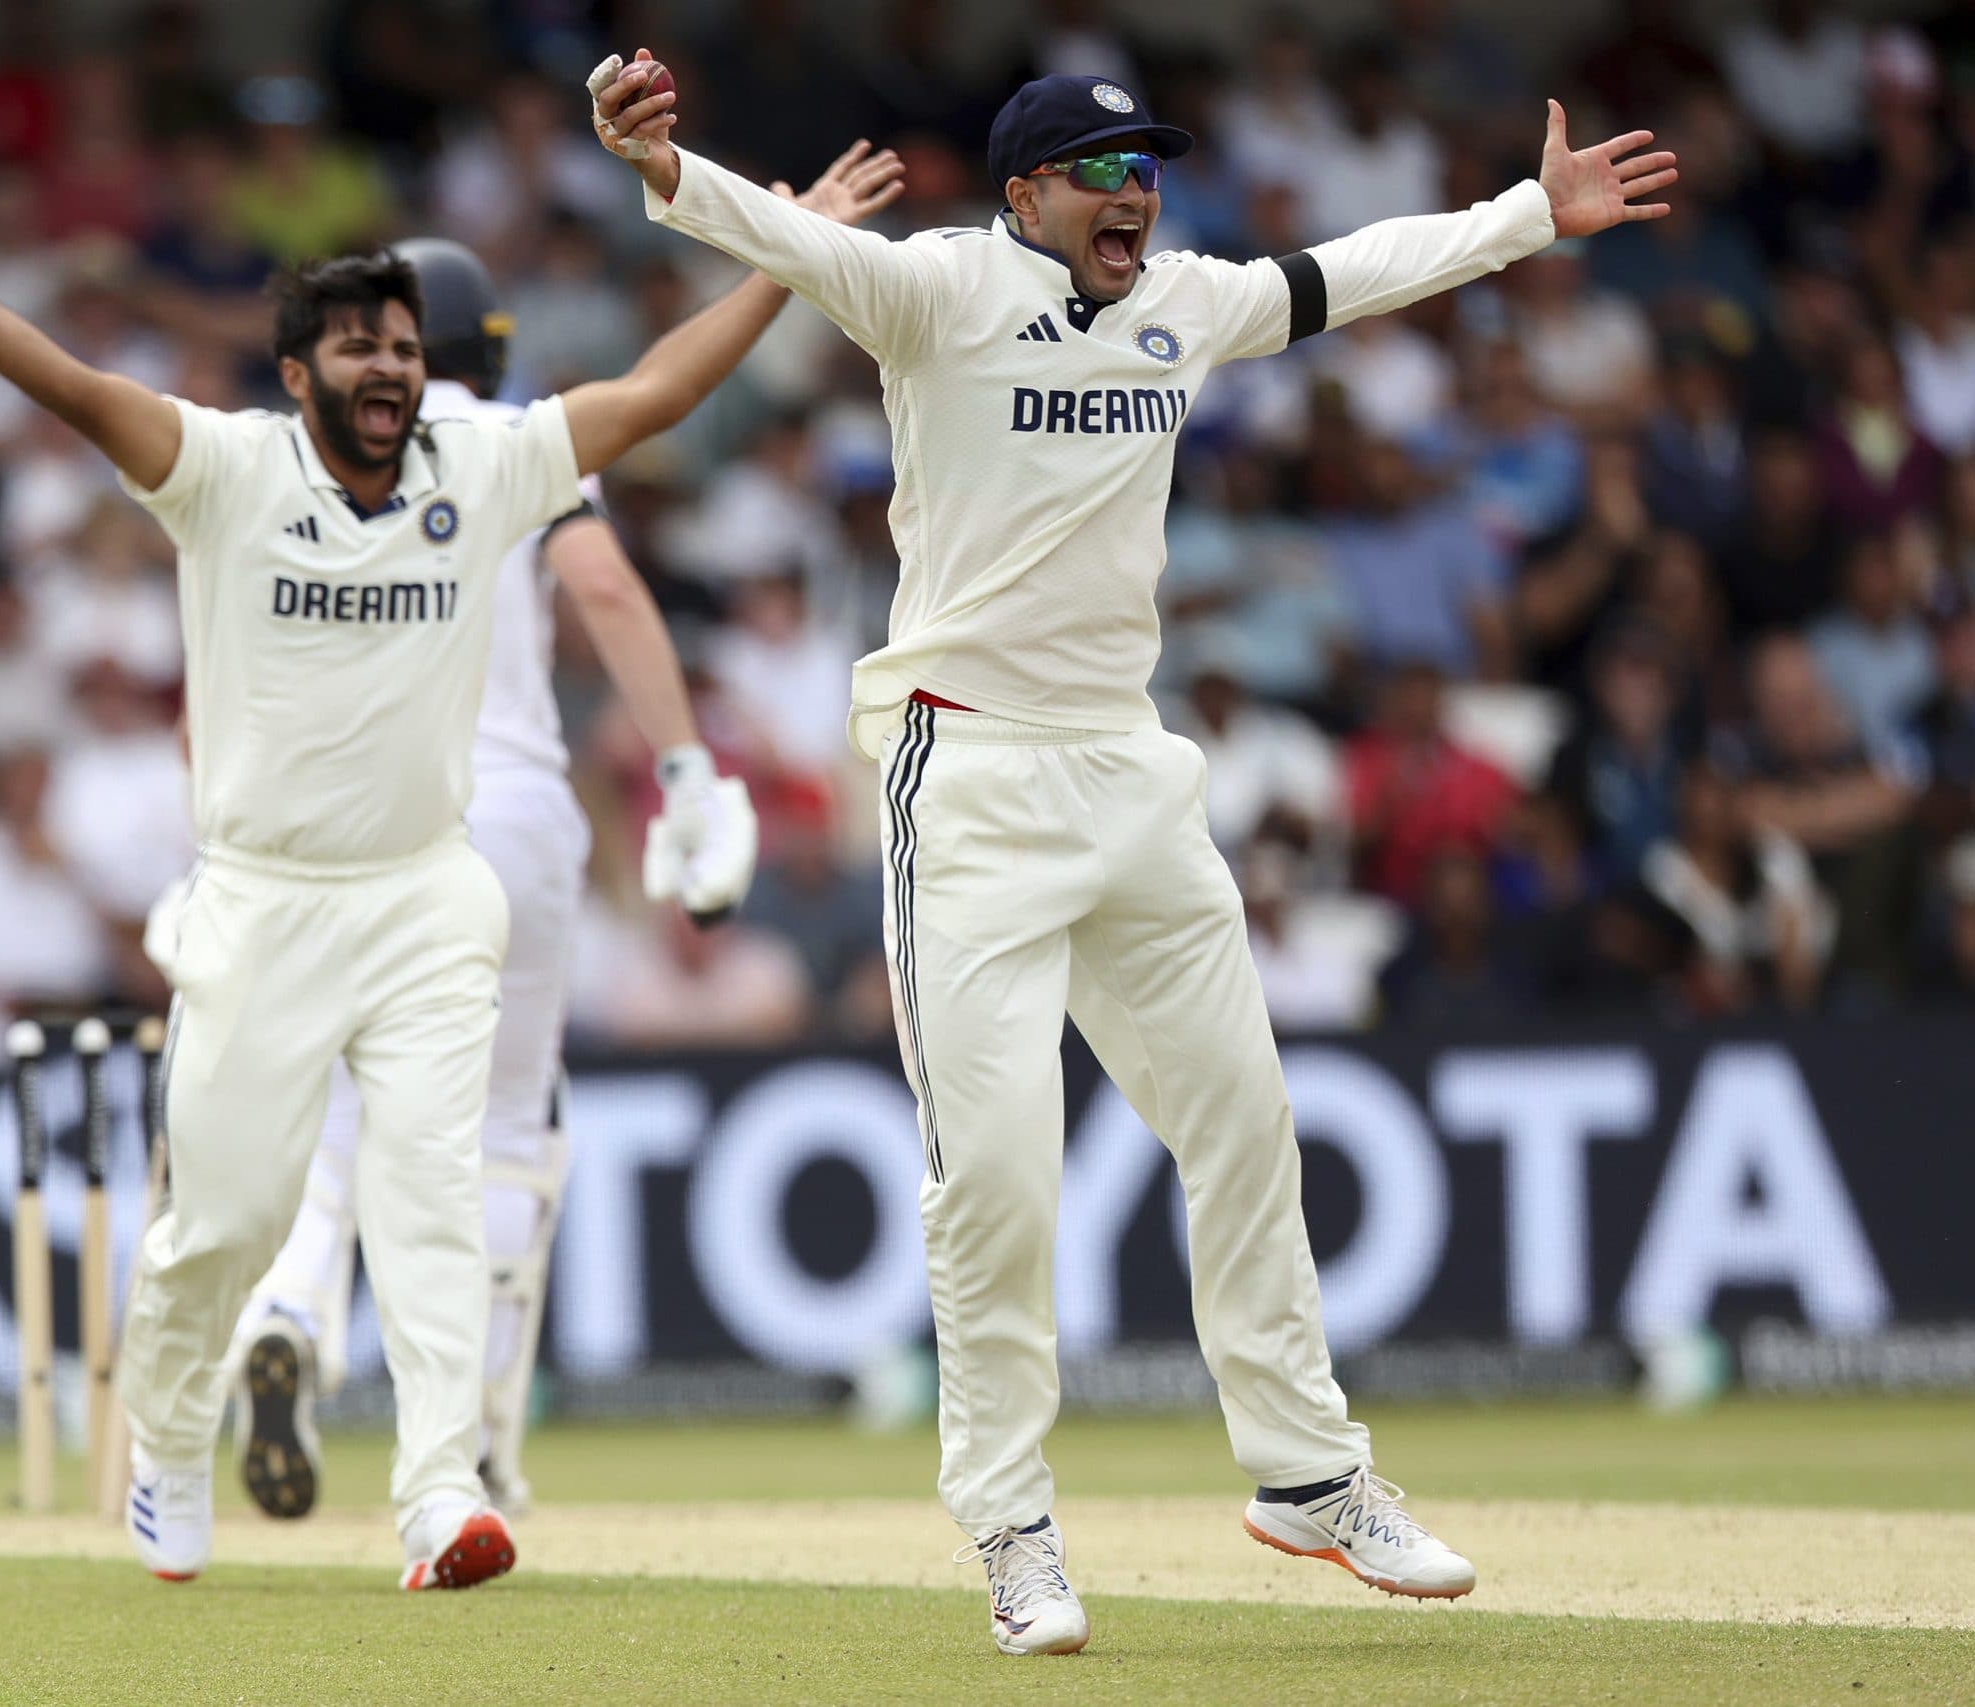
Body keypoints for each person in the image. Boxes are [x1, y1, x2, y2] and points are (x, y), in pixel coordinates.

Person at [591, 52, 1676, 1654]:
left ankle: (1310, 1476)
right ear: (1024, 192)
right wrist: (663, 167)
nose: (1134, 195)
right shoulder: (937, 296)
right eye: (1101, 173)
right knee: (1001, 1177)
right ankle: (1014, 1530)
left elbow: (1347, 274)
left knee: (1245, 1118)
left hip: (1130, 772)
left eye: (1146, 169)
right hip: (963, 777)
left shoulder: (1181, 300)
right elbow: (788, 244)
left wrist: (1529, 215)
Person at [0, 136, 897, 1590]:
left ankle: (441, 1498)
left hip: (430, 894)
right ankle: (173, 1444)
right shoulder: (223, 469)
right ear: (294, 373)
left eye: (398, 345)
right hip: (262, 904)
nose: (385, 368)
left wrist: (791, 245)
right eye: (353, 349)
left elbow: (660, 390)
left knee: (429, 1194)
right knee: (226, 1222)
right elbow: (56, 380)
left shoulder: (483, 463)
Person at [216, 205, 899, 1525]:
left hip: (353, 815)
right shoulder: (509, 438)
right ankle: (470, 1445)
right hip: (516, 812)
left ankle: (296, 1308)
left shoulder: (296, 459)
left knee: (336, 1120)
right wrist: (691, 772)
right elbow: (606, 590)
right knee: (504, 1137)